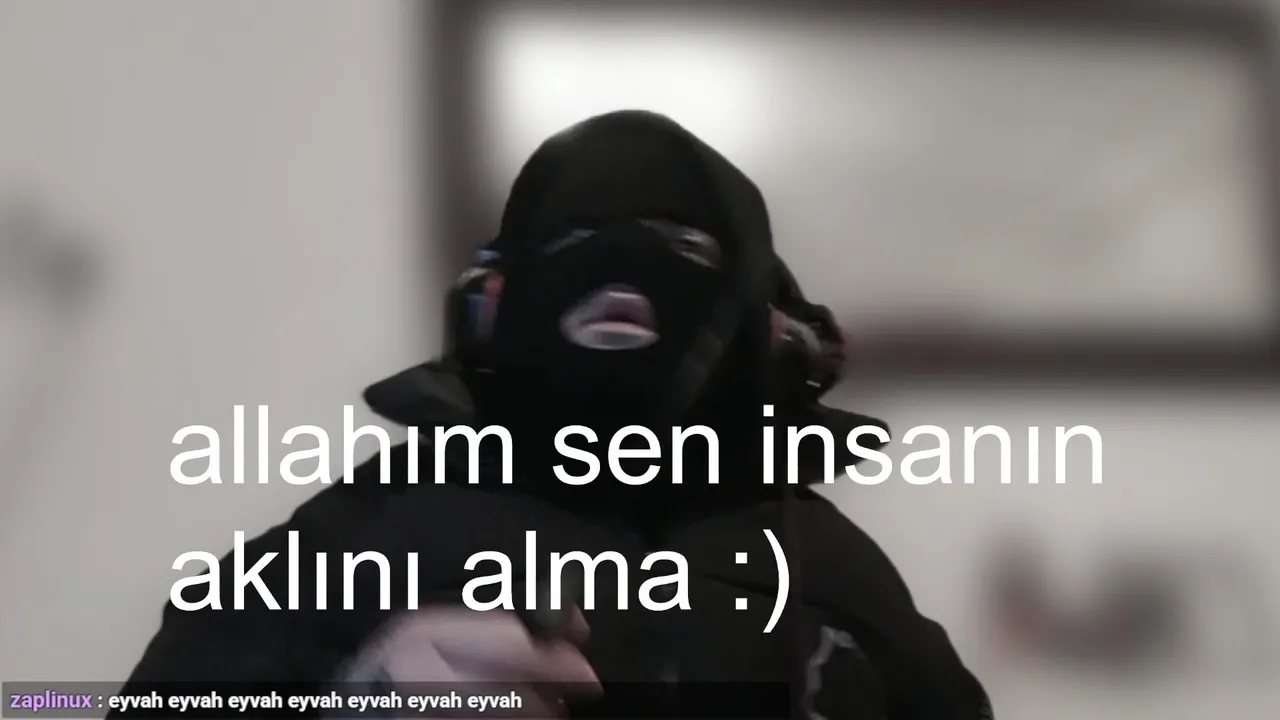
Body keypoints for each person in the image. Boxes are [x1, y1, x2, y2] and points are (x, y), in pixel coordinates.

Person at [113, 110, 991, 719]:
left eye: (683, 245)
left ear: (774, 333)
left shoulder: (830, 563)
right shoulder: (361, 528)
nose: (622, 262)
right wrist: (357, 699)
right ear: (492, 307)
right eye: (572, 243)